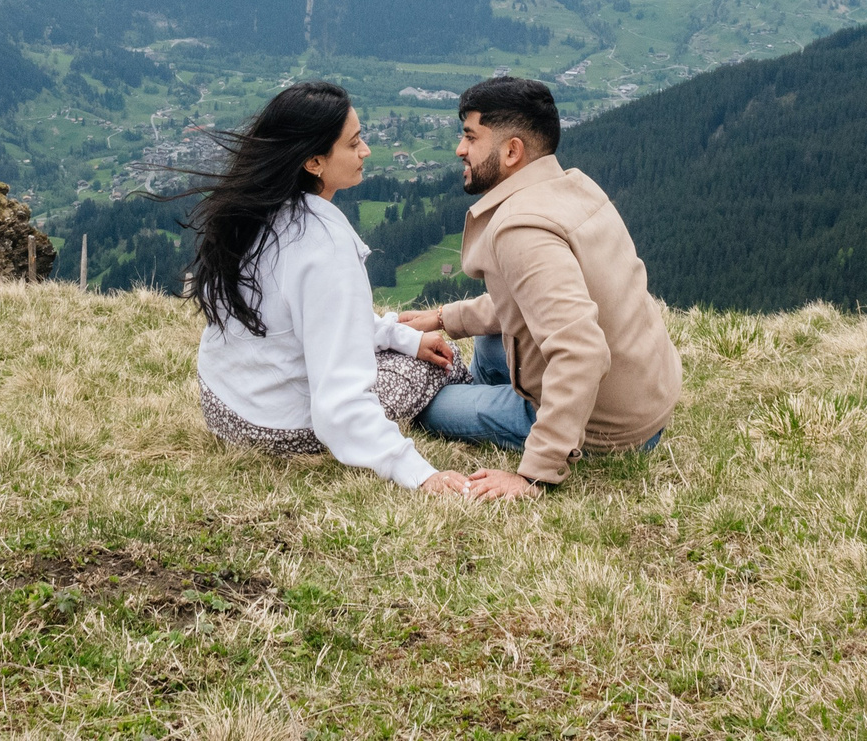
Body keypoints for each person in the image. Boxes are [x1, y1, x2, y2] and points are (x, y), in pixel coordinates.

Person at [402, 76, 682, 500]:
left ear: (512, 151)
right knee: (488, 346)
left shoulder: (522, 228)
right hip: (641, 400)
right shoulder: (573, 186)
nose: (460, 150)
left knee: (428, 407)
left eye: (470, 137)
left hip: (607, 427)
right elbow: (530, 299)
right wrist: (446, 318)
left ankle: (504, 407)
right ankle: (488, 392)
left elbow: (582, 352)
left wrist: (534, 475)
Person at [189, 81, 471, 495]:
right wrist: (416, 471)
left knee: (414, 349)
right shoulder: (325, 246)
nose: (366, 151)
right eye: (354, 142)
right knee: (444, 363)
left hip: (222, 403)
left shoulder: (258, 211)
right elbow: (339, 404)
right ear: (315, 161)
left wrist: (398, 336)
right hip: (273, 428)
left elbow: (314, 319)